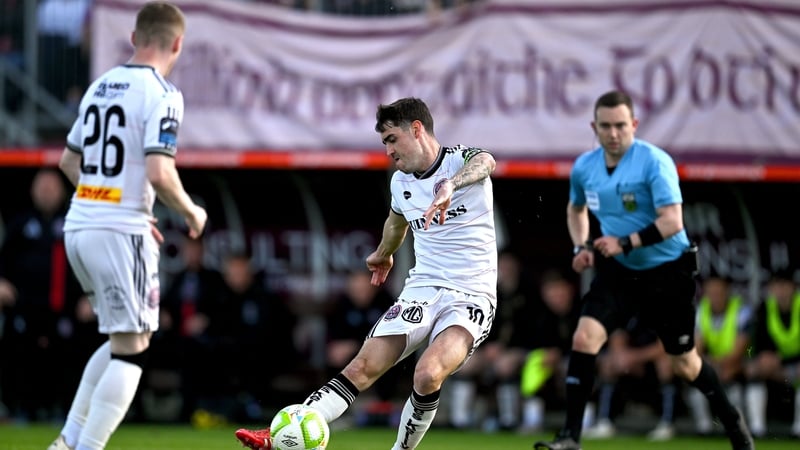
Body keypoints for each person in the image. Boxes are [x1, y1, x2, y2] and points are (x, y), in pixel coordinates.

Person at [235, 96, 498, 450]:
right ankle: (285, 431)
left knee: (427, 373)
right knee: (362, 366)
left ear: (416, 129)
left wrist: (451, 184)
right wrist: (383, 253)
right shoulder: (401, 183)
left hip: (472, 294)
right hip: (423, 288)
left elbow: (487, 161)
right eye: (384, 142)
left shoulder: (461, 161)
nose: (388, 150)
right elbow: (396, 222)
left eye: (391, 139)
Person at [533, 90, 753, 450]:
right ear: (595, 127)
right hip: (620, 271)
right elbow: (575, 210)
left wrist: (624, 242)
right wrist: (581, 245)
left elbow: (672, 222)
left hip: (668, 271)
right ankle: (571, 437)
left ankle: (731, 419)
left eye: (621, 125)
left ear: (634, 124)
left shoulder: (654, 162)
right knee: (584, 339)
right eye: (606, 126)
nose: (614, 133)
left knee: (684, 363)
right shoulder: (584, 167)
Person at [48, 2, 207, 449]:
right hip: (118, 231)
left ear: (134, 39)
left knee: (123, 336)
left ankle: (68, 440)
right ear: (178, 43)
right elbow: (159, 171)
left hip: (80, 225)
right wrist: (191, 212)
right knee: (134, 346)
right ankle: (87, 446)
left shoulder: (99, 86)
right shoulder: (162, 93)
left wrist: (112, 203)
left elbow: (68, 161)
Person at [0, 168, 86, 422]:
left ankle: (64, 411)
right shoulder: (20, 224)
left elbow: (90, 260)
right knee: (21, 358)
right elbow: (3, 259)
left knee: (66, 359)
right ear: (33, 191)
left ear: (62, 191)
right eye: (42, 187)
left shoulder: (75, 221)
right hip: (25, 307)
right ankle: (22, 409)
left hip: (64, 307)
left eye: (52, 187)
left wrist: (91, 297)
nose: (47, 192)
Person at [447, 250, 538, 431]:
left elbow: (531, 331)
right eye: (502, 265)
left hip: (521, 351)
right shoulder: (488, 294)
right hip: (489, 351)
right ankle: (459, 421)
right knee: (465, 365)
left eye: (509, 265)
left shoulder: (530, 295)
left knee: (505, 365)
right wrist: (487, 347)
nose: (505, 269)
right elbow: (478, 325)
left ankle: (508, 421)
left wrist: (506, 348)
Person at [581, 318, 678, 441]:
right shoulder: (630, 311)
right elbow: (617, 337)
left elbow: (664, 347)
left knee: (665, 364)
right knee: (608, 363)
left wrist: (636, 358)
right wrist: (622, 357)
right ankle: (604, 422)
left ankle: (667, 424)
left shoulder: (664, 312)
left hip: (651, 366)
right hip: (630, 367)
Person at [686, 274, 751, 435]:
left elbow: (739, 350)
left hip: (735, 364)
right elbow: (697, 348)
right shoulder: (702, 310)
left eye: (719, 292)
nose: (715, 296)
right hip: (714, 364)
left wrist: (717, 365)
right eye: (711, 292)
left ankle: (740, 427)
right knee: (695, 375)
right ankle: (704, 429)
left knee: (733, 376)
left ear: (727, 292)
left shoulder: (741, 310)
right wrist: (709, 367)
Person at [743, 268, 800, 439]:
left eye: (785, 286)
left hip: (795, 366)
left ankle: (798, 429)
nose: (781, 291)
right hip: (776, 368)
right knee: (752, 370)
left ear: (793, 288)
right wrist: (758, 357)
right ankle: (756, 429)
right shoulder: (764, 308)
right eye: (776, 286)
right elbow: (752, 346)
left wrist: (782, 359)